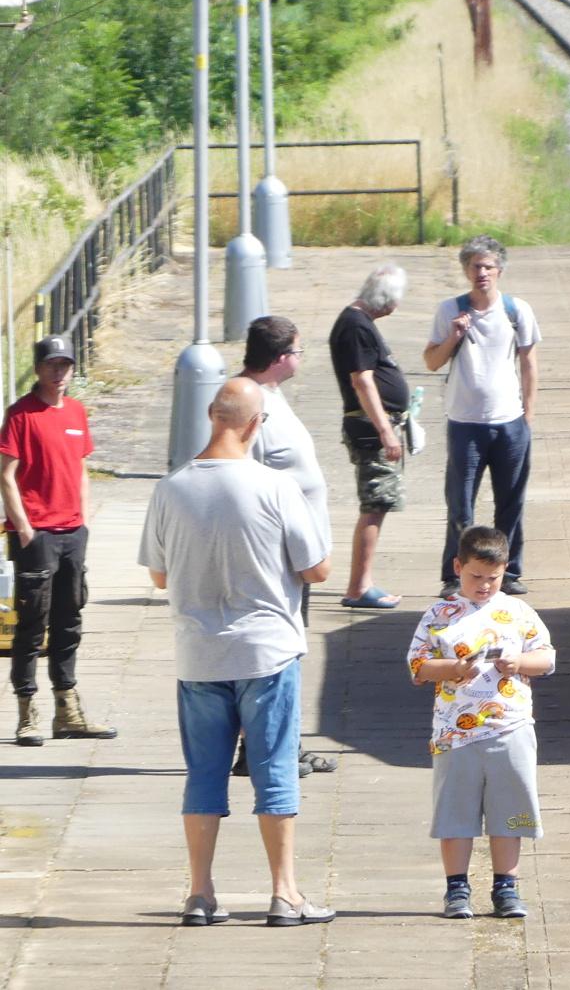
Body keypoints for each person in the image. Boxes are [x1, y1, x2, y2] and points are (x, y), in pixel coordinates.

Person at [139, 377, 334, 928]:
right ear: (255, 424)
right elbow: (317, 569)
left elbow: (158, 575)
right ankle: (285, 894)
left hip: (198, 654)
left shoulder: (170, 489)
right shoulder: (274, 488)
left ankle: (200, 893)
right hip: (266, 652)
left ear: (211, 416)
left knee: (204, 773)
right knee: (275, 770)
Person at [406, 524, 556, 921]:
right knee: (456, 811)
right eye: (476, 577)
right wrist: (452, 668)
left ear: (505, 571)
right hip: (455, 732)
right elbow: (418, 666)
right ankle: (456, 887)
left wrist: (520, 663)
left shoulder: (518, 612)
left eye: (494, 578)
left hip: (511, 727)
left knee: (512, 810)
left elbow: (546, 658)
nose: (485, 585)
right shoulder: (440, 614)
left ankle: (506, 886)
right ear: (458, 567)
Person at [1, 335, 117, 746]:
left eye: (65, 364)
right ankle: (26, 711)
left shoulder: (77, 411)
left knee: (69, 620)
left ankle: (67, 710)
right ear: (38, 368)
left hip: (72, 532)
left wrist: (82, 520)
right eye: (52, 364)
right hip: (37, 534)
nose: (59, 372)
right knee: (32, 624)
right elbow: (7, 475)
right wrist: (25, 527)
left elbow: (80, 468)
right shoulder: (21, 415)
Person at [239, 316, 337, 780]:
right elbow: (241, 482)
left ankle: (280, 744)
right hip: (275, 557)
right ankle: (269, 749)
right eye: (298, 351)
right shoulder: (246, 401)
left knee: (288, 653)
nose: (301, 359)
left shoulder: (271, 398)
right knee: (275, 656)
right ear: (280, 358)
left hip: (296, 555)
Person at [424, 237, 540, 597]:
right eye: (475, 266)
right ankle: (454, 574)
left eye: (488, 266)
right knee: (460, 504)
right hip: (465, 423)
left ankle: (508, 571)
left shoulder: (516, 310)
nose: (482, 273)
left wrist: (527, 417)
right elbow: (431, 361)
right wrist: (454, 335)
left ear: (500, 271)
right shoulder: (450, 310)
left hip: (509, 422)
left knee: (511, 503)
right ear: (465, 270)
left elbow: (529, 362)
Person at [329, 264, 410, 609]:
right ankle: (359, 586)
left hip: (374, 424)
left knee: (378, 504)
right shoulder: (356, 326)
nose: (397, 307)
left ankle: (362, 583)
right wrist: (385, 430)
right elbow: (362, 381)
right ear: (384, 299)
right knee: (375, 504)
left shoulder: (358, 323)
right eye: (395, 300)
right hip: (370, 429)